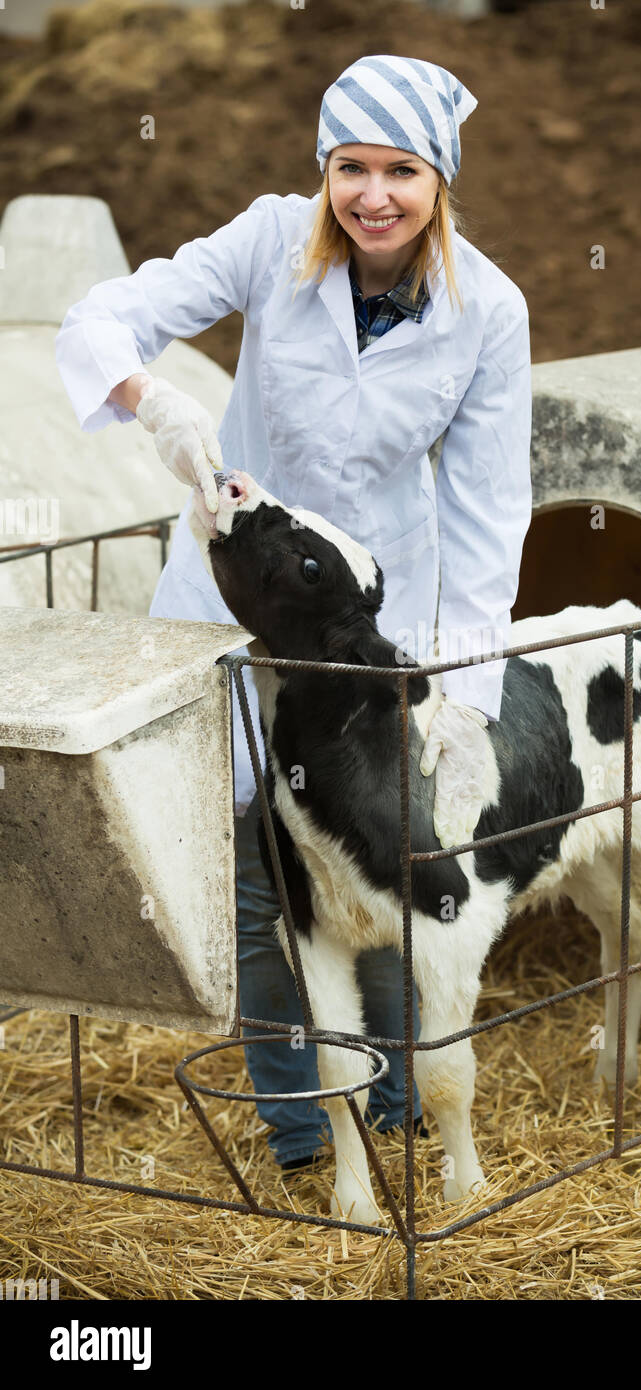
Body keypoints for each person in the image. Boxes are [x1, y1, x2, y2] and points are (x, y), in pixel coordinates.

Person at [55, 54, 533, 1173]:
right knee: (261, 866)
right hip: (238, 609)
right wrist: (153, 399)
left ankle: (399, 1108)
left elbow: (485, 520)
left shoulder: (489, 312)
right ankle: (304, 1130)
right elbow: (102, 318)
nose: (373, 195)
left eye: (401, 171)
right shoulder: (273, 240)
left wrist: (464, 701)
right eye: (350, 166)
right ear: (322, 170)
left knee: (378, 861)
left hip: (373, 628)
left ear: (440, 179)